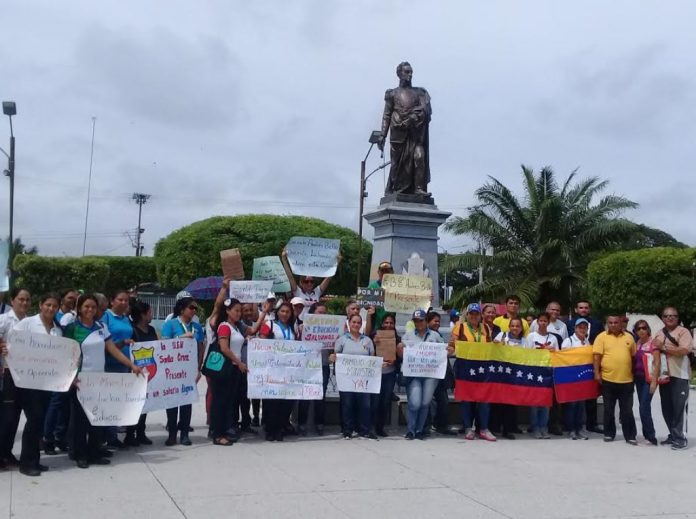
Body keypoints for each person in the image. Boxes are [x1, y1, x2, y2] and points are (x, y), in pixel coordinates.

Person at [63, 293, 143, 468]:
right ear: (80, 308)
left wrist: (131, 365)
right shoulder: (71, 328)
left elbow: (112, 349)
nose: (90, 310)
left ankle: (94, 451)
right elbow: (65, 355)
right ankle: (79, 453)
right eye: (86, 307)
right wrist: (71, 377)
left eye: (93, 307)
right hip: (80, 381)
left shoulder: (101, 327)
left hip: (100, 380)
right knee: (80, 420)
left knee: (98, 418)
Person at [3, 294, 62, 476]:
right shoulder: (27, 323)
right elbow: (12, 342)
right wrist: (5, 348)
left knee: (38, 421)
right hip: (24, 381)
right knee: (34, 418)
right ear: (40, 305)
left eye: (54, 306)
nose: (50, 309)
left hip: (45, 382)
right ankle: (27, 463)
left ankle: (34, 460)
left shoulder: (57, 330)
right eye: (47, 305)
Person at [211, 298, 267, 446]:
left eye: (240, 311)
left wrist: (265, 312)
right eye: (236, 310)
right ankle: (217, 434)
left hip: (234, 369)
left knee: (230, 402)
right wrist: (238, 362)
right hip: (226, 368)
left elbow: (253, 330)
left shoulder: (237, 327)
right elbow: (224, 348)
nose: (238, 313)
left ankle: (227, 430)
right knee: (221, 402)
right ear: (228, 311)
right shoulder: (224, 326)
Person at [160, 297, 205, 446]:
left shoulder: (197, 327)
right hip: (172, 370)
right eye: (191, 308)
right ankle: (172, 433)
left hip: (189, 370)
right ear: (182, 309)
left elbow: (200, 349)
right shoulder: (170, 325)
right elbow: (164, 345)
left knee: (187, 401)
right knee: (172, 402)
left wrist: (198, 368)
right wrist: (180, 337)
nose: (194, 311)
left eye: (195, 309)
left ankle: (184, 433)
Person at [449, 303, 496, 441]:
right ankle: (468, 427)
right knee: (466, 398)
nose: (474, 316)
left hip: (483, 368)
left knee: (484, 398)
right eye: (471, 314)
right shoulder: (460, 327)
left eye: (476, 314)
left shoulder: (486, 327)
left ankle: (484, 428)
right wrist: (451, 349)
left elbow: (490, 346)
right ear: (467, 315)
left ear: (480, 315)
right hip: (465, 367)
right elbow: (452, 345)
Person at [593, 316, 637, 445]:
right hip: (608, 379)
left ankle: (630, 436)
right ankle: (609, 434)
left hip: (627, 380)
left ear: (621, 323)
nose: (613, 325)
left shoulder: (629, 337)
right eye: (610, 323)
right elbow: (596, 357)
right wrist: (596, 373)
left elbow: (633, 357)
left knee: (627, 410)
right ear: (607, 323)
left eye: (615, 322)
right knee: (608, 409)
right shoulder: (601, 337)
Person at [0, 287, 32, 470]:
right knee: (6, 416)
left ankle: (7, 452)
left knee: (15, 416)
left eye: (27, 300)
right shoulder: (4, 320)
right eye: (21, 299)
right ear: (12, 301)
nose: (24, 303)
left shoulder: (30, 322)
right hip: (7, 374)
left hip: (25, 376)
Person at [653, 307, 693, 450]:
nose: (670, 318)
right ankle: (673, 434)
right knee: (667, 408)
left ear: (677, 318)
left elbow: (684, 350)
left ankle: (680, 438)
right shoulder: (659, 333)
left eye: (673, 316)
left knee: (679, 408)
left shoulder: (684, 332)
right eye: (666, 316)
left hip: (679, 375)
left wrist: (663, 347)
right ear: (662, 318)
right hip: (664, 376)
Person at [331, 314, 377, 440]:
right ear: (349, 323)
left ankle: (364, 429)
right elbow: (336, 356)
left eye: (358, 322)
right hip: (346, 379)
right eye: (354, 322)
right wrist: (333, 358)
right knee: (347, 404)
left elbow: (372, 358)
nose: (356, 325)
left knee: (365, 404)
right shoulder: (342, 340)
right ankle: (347, 430)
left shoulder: (367, 340)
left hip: (364, 379)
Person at [258, 301, 297, 441]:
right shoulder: (270, 325)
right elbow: (261, 342)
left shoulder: (293, 328)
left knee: (286, 401)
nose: (285, 314)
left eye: (288, 312)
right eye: (282, 311)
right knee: (272, 400)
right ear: (277, 312)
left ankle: (280, 427)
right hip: (273, 368)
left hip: (288, 369)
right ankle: (270, 429)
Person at [100, 290, 134, 449]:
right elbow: (104, 342)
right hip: (109, 365)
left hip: (124, 366)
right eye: (120, 299)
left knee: (117, 402)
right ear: (112, 301)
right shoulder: (106, 317)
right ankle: (105, 437)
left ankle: (112, 436)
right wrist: (121, 343)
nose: (124, 303)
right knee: (107, 402)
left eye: (126, 300)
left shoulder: (126, 318)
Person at [566, 300, 605, 434]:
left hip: (590, 366)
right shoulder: (569, 324)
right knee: (574, 402)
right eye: (581, 307)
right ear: (576, 309)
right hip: (573, 370)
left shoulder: (597, 323)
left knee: (590, 398)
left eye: (586, 308)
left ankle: (591, 424)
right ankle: (571, 427)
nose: (583, 310)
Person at [123, 299, 158, 447]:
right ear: (143, 315)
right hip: (135, 373)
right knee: (134, 406)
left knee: (145, 405)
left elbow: (158, 347)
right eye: (149, 312)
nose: (151, 315)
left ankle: (141, 433)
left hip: (149, 372)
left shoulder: (151, 330)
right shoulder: (133, 331)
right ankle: (130, 434)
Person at [298, 302, 332, 436]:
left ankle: (320, 424)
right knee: (305, 395)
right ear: (313, 314)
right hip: (308, 365)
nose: (323, 315)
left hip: (323, 365)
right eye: (320, 313)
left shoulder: (331, 328)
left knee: (320, 396)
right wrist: (301, 331)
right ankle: (301, 423)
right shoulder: (303, 327)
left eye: (325, 313)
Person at [491, 317, 527, 439]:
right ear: (509, 326)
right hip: (501, 374)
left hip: (515, 376)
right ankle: (495, 427)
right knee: (498, 402)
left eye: (517, 326)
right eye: (513, 326)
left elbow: (529, 356)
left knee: (511, 404)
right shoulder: (502, 335)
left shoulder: (525, 341)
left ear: (521, 328)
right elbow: (493, 348)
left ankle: (508, 429)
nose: (515, 328)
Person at [280, 247, 340, 320]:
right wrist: (284, 259)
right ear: (301, 283)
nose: (309, 284)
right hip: (300, 323)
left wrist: (337, 262)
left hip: (314, 324)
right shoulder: (297, 291)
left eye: (312, 281)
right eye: (306, 281)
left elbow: (329, 277)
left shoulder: (317, 292)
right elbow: (290, 277)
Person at [526, 312, 559, 439]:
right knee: (534, 402)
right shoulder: (531, 336)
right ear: (537, 322)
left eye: (545, 321)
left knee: (546, 403)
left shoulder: (553, 338)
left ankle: (543, 427)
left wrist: (553, 351)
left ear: (548, 323)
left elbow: (557, 354)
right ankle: (535, 427)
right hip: (535, 371)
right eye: (541, 321)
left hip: (548, 371)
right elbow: (526, 354)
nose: (543, 323)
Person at [426, 311, 456, 436]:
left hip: (441, 373)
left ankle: (441, 425)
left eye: (438, 321)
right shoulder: (425, 335)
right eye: (435, 321)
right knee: (428, 402)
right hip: (428, 373)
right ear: (428, 322)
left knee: (443, 401)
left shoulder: (439, 335)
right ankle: (428, 426)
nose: (437, 323)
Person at [370, 313, 401, 437]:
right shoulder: (374, 336)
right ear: (382, 324)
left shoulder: (397, 339)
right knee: (375, 401)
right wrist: (374, 342)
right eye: (386, 322)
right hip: (376, 374)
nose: (388, 325)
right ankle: (371, 427)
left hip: (390, 374)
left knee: (385, 402)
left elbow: (401, 356)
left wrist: (395, 358)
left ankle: (380, 427)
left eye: (391, 323)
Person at [560, 318, 591, 440]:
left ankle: (579, 428)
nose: (582, 330)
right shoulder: (568, 341)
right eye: (580, 327)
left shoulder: (587, 342)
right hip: (571, 379)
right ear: (575, 328)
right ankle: (571, 429)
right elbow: (563, 359)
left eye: (584, 327)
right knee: (572, 405)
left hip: (583, 379)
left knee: (581, 405)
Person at [632, 319, 660, 446]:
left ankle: (651, 437)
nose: (641, 330)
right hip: (638, 378)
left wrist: (654, 381)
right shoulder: (637, 343)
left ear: (648, 329)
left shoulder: (652, 343)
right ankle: (647, 435)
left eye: (644, 328)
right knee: (643, 407)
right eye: (638, 328)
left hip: (648, 379)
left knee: (644, 406)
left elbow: (657, 363)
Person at [242, 303, 261, 428]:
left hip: (257, 364)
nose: (249, 313)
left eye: (251, 310)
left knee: (256, 393)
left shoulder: (258, 324)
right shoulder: (238, 325)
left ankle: (255, 416)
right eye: (246, 310)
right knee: (243, 395)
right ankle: (245, 420)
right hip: (242, 365)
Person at [368, 261, 394, 331]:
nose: (385, 273)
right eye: (382, 271)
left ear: (392, 272)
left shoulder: (396, 287)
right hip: (376, 327)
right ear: (378, 272)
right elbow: (365, 305)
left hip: (391, 326)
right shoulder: (372, 286)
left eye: (387, 271)